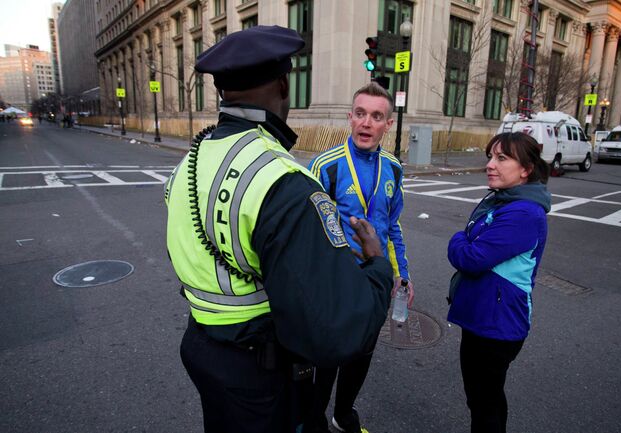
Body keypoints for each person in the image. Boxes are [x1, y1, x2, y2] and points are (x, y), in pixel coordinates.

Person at [164, 25, 394, 433]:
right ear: (285, 87)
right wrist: (377, 263)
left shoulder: (188, 164)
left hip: (203, 348)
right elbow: (337, 329)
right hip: (260, 372)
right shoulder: (283, 180)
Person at [305, 82, 414, 433]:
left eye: (377, 116)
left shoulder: (394, 168)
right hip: (336, 283)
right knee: (326, 359)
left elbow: (392, 226)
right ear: (350, 118)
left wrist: (402, 274)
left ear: (388, 124)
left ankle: (344, 416)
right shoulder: (325, 165)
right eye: (361, 114)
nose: (367, 123)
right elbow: (307, 231)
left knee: (362, 353)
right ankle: (314, 422)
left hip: (376, 280)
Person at [447, 132, 551, 433]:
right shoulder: (503, 201)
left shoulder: (524, 213)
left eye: (502, 158)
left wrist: (458, 238)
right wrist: (465, 239)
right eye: (490, 157)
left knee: (484, 404)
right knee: (485, 399)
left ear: (526, 169)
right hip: (484, 318)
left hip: (496, 325)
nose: (490, 165)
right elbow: (472, 243)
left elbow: (470, 257)